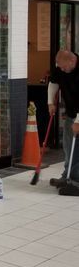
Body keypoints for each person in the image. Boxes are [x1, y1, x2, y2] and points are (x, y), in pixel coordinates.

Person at [48, 50, 79, 196]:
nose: (61, 69)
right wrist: (50, 103)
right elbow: (53, 82)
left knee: (77, 149)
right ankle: (67, 176)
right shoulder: (61, 67)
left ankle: (76, 183)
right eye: (59, 66)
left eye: (63, 67)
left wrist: (78, 121)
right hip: (72, 113)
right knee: (69, 147)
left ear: (72, 62)